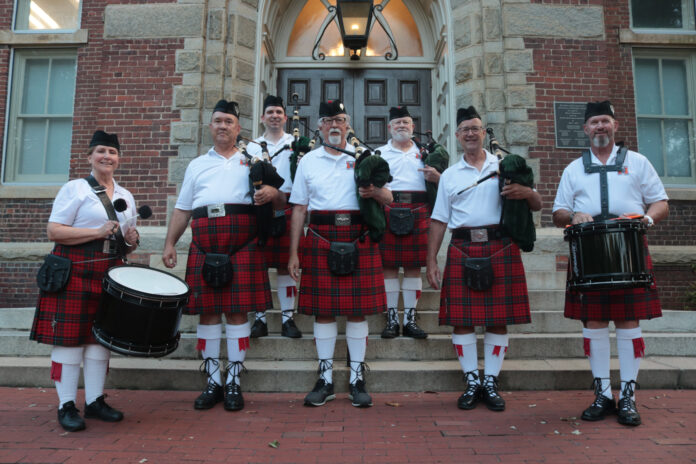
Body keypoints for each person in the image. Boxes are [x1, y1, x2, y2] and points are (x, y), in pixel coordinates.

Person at [162, 100, 286, 412]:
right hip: (205, 243)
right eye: (217, 121)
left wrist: (272, 193)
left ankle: (233, 379)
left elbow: (283, 198)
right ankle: (213, 379)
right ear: (210, 126)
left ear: (238, 128)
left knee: (237, 313)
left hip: (243, 243)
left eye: (228, 121)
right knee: (207, 313)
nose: (222, 126)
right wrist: (169, 244)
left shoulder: (254, 159)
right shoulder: (196, 165)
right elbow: (183, 208)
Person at [552, 100, 669, 427]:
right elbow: (558, 211)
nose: (600, 127)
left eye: (605, 121)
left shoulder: (638, 162)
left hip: (629, 247)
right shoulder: (573, 169)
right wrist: (573, 214)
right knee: (594, 323)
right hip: (588, 252)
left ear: (615, 126)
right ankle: (603, 393)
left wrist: (645, 219)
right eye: (594, 123)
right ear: (586, 129)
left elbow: (661, 202)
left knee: (629, 321)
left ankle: (628, 395)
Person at [426, 106, 541, 412]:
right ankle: (472, 380)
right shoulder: (449, 175)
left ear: (483, 132)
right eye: (465, 130)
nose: (471, 134)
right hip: (462, 247)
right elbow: (438, 220)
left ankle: (490, 380)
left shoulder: (504, 166)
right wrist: (431, 260)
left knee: (497, 321)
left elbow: (537, 202)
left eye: (475, 128)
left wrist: (525, 191)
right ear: (458, 136)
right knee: (462, 321)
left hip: (499, 247)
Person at [30, 130, 140, 432]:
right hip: (75, 267)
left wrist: (131, 240)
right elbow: (54, 231)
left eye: (112, 152)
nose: (107, 157)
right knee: (70, 340)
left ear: (119, 159)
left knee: (99, 340)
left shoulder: (125, 196)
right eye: (101, 151)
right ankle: (66, 404)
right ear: (89, 156)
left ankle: (94, 402)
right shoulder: (75, 189)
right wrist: (96, 232)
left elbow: (126, 243)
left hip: (109, 270)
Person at [288, 100, 392, 408]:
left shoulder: (366, 158)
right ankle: (326, 379)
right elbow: (298, 208)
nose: (335, 125)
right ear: (319, 126)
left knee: (357, 311)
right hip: (320, 237)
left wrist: (374, 192)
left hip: (359, 236)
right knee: (324, 312)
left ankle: (358, 378)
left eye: (340, 120)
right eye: (329, 120)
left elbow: (389, 197)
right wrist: (294, 252)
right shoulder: (308, 161)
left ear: (348, 125)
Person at [376, 106, 440, 339]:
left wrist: (437, 177)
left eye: (406, 122)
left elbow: (446, 183)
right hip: (389, 208)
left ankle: (410, 318)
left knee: (413, 267)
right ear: (389, 128)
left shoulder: (426, 153)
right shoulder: (379, 154)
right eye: (397, 123)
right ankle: (392, 318)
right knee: (390, 267)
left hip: (419, 209)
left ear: (413, 127)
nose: (401, 126)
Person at [246, 95, 302, 339]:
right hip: (259, 209)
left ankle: (288, 318)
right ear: (262, 117)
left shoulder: (297, 143)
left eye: (279, 112)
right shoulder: (251, 146)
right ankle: (260, 319)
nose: (274, 116)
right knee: (258, 265)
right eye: (270, 112)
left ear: (285, 117)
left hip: (287, 206)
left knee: (284, 266)